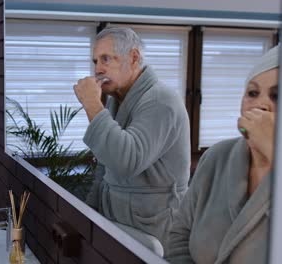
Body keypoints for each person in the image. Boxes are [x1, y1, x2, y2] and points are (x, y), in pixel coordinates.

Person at [73, 27, 190, 249]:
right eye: (95, 61)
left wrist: (92, 105)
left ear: (133, 57)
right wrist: (89, 212)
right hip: (118, 218)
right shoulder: (116, 99)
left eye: (106, 59)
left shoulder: (160, 101)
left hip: (155, 225)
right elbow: (105, 165)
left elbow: (126, 160)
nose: (98, 69)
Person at [166, 45, 279, 263]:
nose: (260, 105)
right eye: (252, 93)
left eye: (276, 95)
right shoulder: (217, 156)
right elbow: (179, 235)